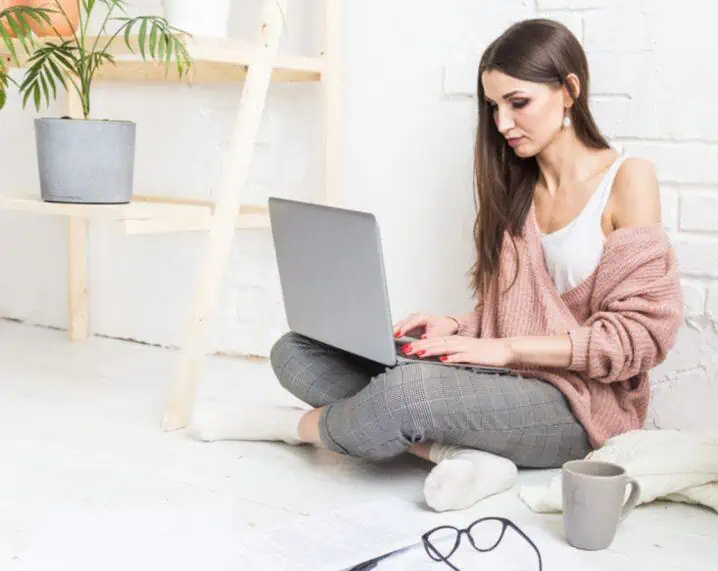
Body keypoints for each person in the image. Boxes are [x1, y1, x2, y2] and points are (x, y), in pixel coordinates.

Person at [190, 18, 683, 512]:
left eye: (518, 103)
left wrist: (506, 350)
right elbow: (521, 310)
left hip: (579, 408)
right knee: (298, 351)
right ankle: (465, 454)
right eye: (493, 107)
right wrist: (459, 326)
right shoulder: (517, 191)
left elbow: (638, 339)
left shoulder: (628, 179)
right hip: (505, 381)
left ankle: (289, 429)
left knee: (406, 393)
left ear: (569, 91)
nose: (503, 124)